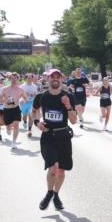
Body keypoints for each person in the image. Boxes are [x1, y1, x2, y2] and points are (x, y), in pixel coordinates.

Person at [34, 69, 77, 212]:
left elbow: (74, 120)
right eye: (52, 77)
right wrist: (37, 122)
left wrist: (68, 106)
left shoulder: (68, 96)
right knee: (53, 168)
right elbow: (34, 110)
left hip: (63, 136)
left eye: (58, 77)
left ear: (62, 79)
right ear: (47, 79)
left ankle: (56, 195)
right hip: (48, 136)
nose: (55, 79)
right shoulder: (42, 97)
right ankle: (49, 193)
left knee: (61, 171)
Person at [0, 72, 28, 149]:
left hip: (16, 108)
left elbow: (25, 98)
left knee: (16, 125)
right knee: (9, 127)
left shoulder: (21, 89)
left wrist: (22, 100)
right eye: (12, 78)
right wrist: (4, 101)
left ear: (18, 79)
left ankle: (14, 142)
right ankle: (8, 128)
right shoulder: (5, 89)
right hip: (7, 109)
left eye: (16, 78)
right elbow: (0, 99)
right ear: (10, 79)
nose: (14, 80)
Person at [20, 73, 40, 137]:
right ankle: (25, 121)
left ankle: (29, 130)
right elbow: (20, 94)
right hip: (24, 103)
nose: (30, 79)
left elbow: (36, 94)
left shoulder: (34, 86)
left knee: (30, 116)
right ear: (26, 78)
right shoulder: (22, 86)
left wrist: (34, 96)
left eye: (31, 78)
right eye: (28, 78)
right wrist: (22, 99)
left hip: (31, 102)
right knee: (24, 115)